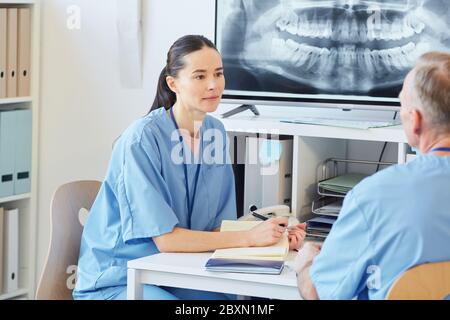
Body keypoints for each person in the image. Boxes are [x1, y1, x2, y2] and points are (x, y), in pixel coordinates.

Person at [73, 35, 306, 300]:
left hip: (179, 271)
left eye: (218, 74)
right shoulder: (141, 140)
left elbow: (217, 230)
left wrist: (276, 237)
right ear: (173, 84)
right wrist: (249, 238)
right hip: (119, 279)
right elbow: (167, 240)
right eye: (199, 76)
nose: (213, 84)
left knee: (232, 299)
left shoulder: (215, 133)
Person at [294, 51, 450, 300]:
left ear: (416, 121)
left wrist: (304, 265)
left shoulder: (377, 194)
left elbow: (318, 292)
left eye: (402, 106)